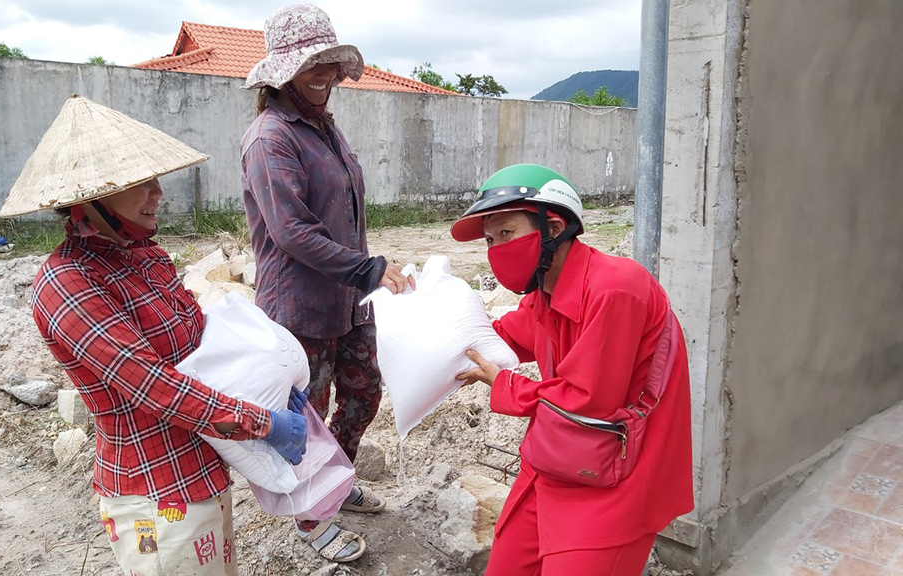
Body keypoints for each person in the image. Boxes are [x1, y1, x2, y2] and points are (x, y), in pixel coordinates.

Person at [0, 95, 308, 576]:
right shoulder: (68, 283)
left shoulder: (145, 257)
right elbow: (152, 385)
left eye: (154, 179)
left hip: (205, 466)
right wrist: (263, 422)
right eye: (140, 183)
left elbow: (200, 346)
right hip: (154, 492)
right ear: (91, 197)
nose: (158, 193)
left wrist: (272, 381)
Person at [452, 164, 694, 576]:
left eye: (506, 233)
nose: (495, 248)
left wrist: (505, 383)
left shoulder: (617, 288)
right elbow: (502, 338)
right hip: (557, 458)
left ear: (554, 227)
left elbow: (588, 399)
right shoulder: (544, 293)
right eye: (490, 240)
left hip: (618, 473)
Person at [239, 3, 414, 563]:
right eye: (312, 66)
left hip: (350, 302)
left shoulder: (326, 127)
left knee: (363, 395)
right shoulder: (270, 138)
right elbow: (291, 231)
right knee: (307, 418)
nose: (325, 76)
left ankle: (334, 482)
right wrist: (369, 269)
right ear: (284, 72)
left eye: (330, 64)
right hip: (300, 308)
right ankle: (313, 517)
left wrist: (365, 277)